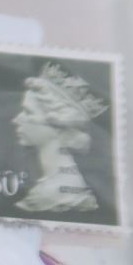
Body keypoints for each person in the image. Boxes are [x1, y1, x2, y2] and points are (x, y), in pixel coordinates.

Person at [12, 62, 108, 215]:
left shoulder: (49, 194)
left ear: (58, 125)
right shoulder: (63, 182)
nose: (16, 120)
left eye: (28, 112)